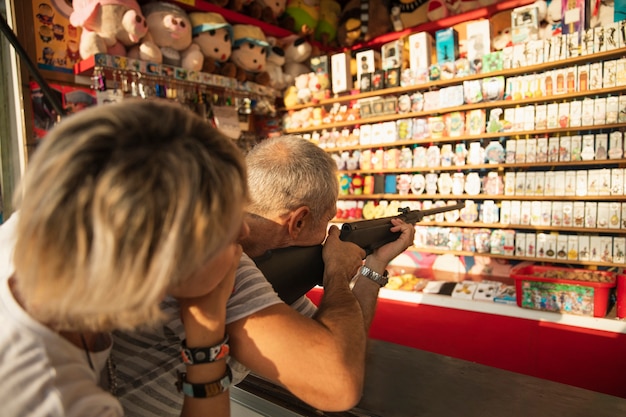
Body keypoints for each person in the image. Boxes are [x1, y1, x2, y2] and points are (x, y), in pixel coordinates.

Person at [113, 135, 416, 415]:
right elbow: (339, 385)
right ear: (298, 221)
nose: (331, 234)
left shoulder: (256, 268)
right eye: (328, 221)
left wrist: (374, 266)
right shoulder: (220, 259)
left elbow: (346, 344)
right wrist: (337, 273)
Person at [0, 99, 250, 417]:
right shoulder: (58, 402)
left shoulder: (54, 222)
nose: (244, 230)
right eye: (224, 232)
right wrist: (206, 339)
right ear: (153, 269)